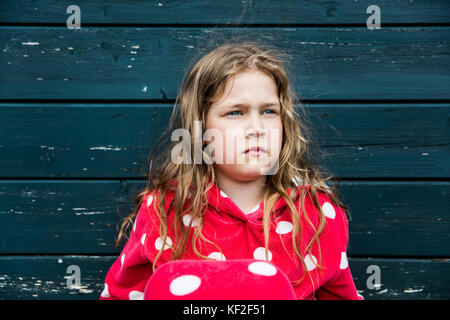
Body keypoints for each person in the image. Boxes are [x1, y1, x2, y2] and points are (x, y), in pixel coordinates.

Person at [100, 42, 364, 300]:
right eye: (236, 113)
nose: (257, 128)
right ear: (201, 129)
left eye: (269, 111)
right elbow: (119, 295)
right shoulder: (164, 209)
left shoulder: (316, 213)